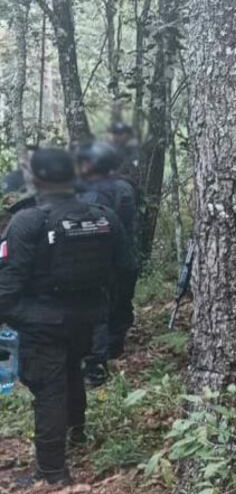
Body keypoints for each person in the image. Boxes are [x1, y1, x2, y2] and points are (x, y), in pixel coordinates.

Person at [0, 149, 132, 487]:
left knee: (50, 389)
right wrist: (114, 323)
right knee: (72, 371)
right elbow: (126, 270)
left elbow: (6, 287)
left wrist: (22, 320)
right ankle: (77, 436)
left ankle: (52, 470)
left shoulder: (27, 222)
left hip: (44, 320)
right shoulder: (104, 217)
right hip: (87, 317)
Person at [76, 143, 139, 387]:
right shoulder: (125, 187)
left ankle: (98, 362)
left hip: (102, 258)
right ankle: (115, 346)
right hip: (123, 256)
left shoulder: (93, 190)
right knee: (120, 302)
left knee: (100, 309)